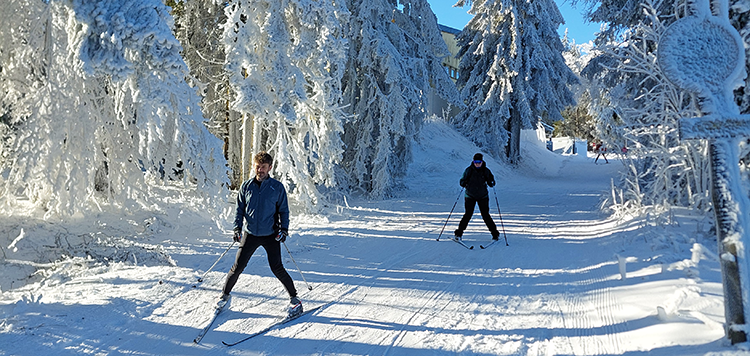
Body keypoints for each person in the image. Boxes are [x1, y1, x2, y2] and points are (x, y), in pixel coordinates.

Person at [218, 151, 301, 317]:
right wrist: (237, 228)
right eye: (258, 166)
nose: (260, 170)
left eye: (263, 167)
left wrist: (284, 230)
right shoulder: (246, 187)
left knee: (277, 268)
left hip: (271, 234)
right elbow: (239, 210)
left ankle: (295, 300)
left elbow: (284, 211)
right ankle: (224, 297)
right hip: (250, 233)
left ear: (269, 168)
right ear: (254, 166)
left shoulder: (276, 188)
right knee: (238, 266)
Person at [454, 153, 501, 241]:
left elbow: (492, 182)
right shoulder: (469, 170)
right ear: (473, 161)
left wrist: (491, 182)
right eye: (475, 162)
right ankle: (459, 233)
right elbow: (462, 180)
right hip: (470, 196)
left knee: (485, 215)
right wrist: (463, 183)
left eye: (479, 162)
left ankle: (495, 234)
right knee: (468, 214)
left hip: (482, 196)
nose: (477, 164)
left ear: (482, 162)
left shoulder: (486, 171)